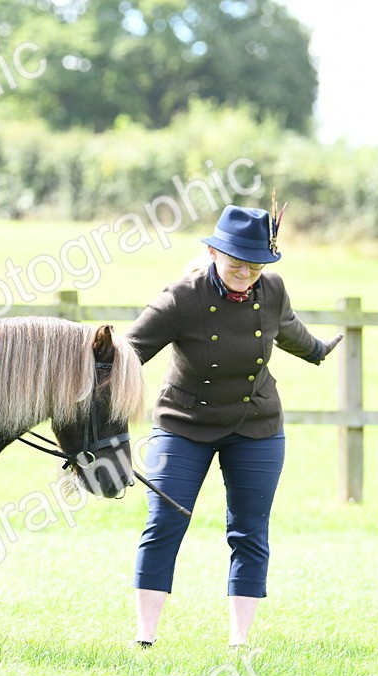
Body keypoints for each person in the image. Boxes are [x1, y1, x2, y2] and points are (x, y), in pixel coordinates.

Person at [125, 202, 342, 648]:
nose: (245, 271)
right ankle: (145, 637)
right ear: (212, 253)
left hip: (256, 424)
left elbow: (287, 329)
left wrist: (319, 349)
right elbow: (127, 353)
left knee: (249, 530)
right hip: (183, 423)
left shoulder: (273, 289)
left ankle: (240, 640)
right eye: (235, 261)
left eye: (255, 264)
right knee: (164, 522)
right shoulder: (181, 297)